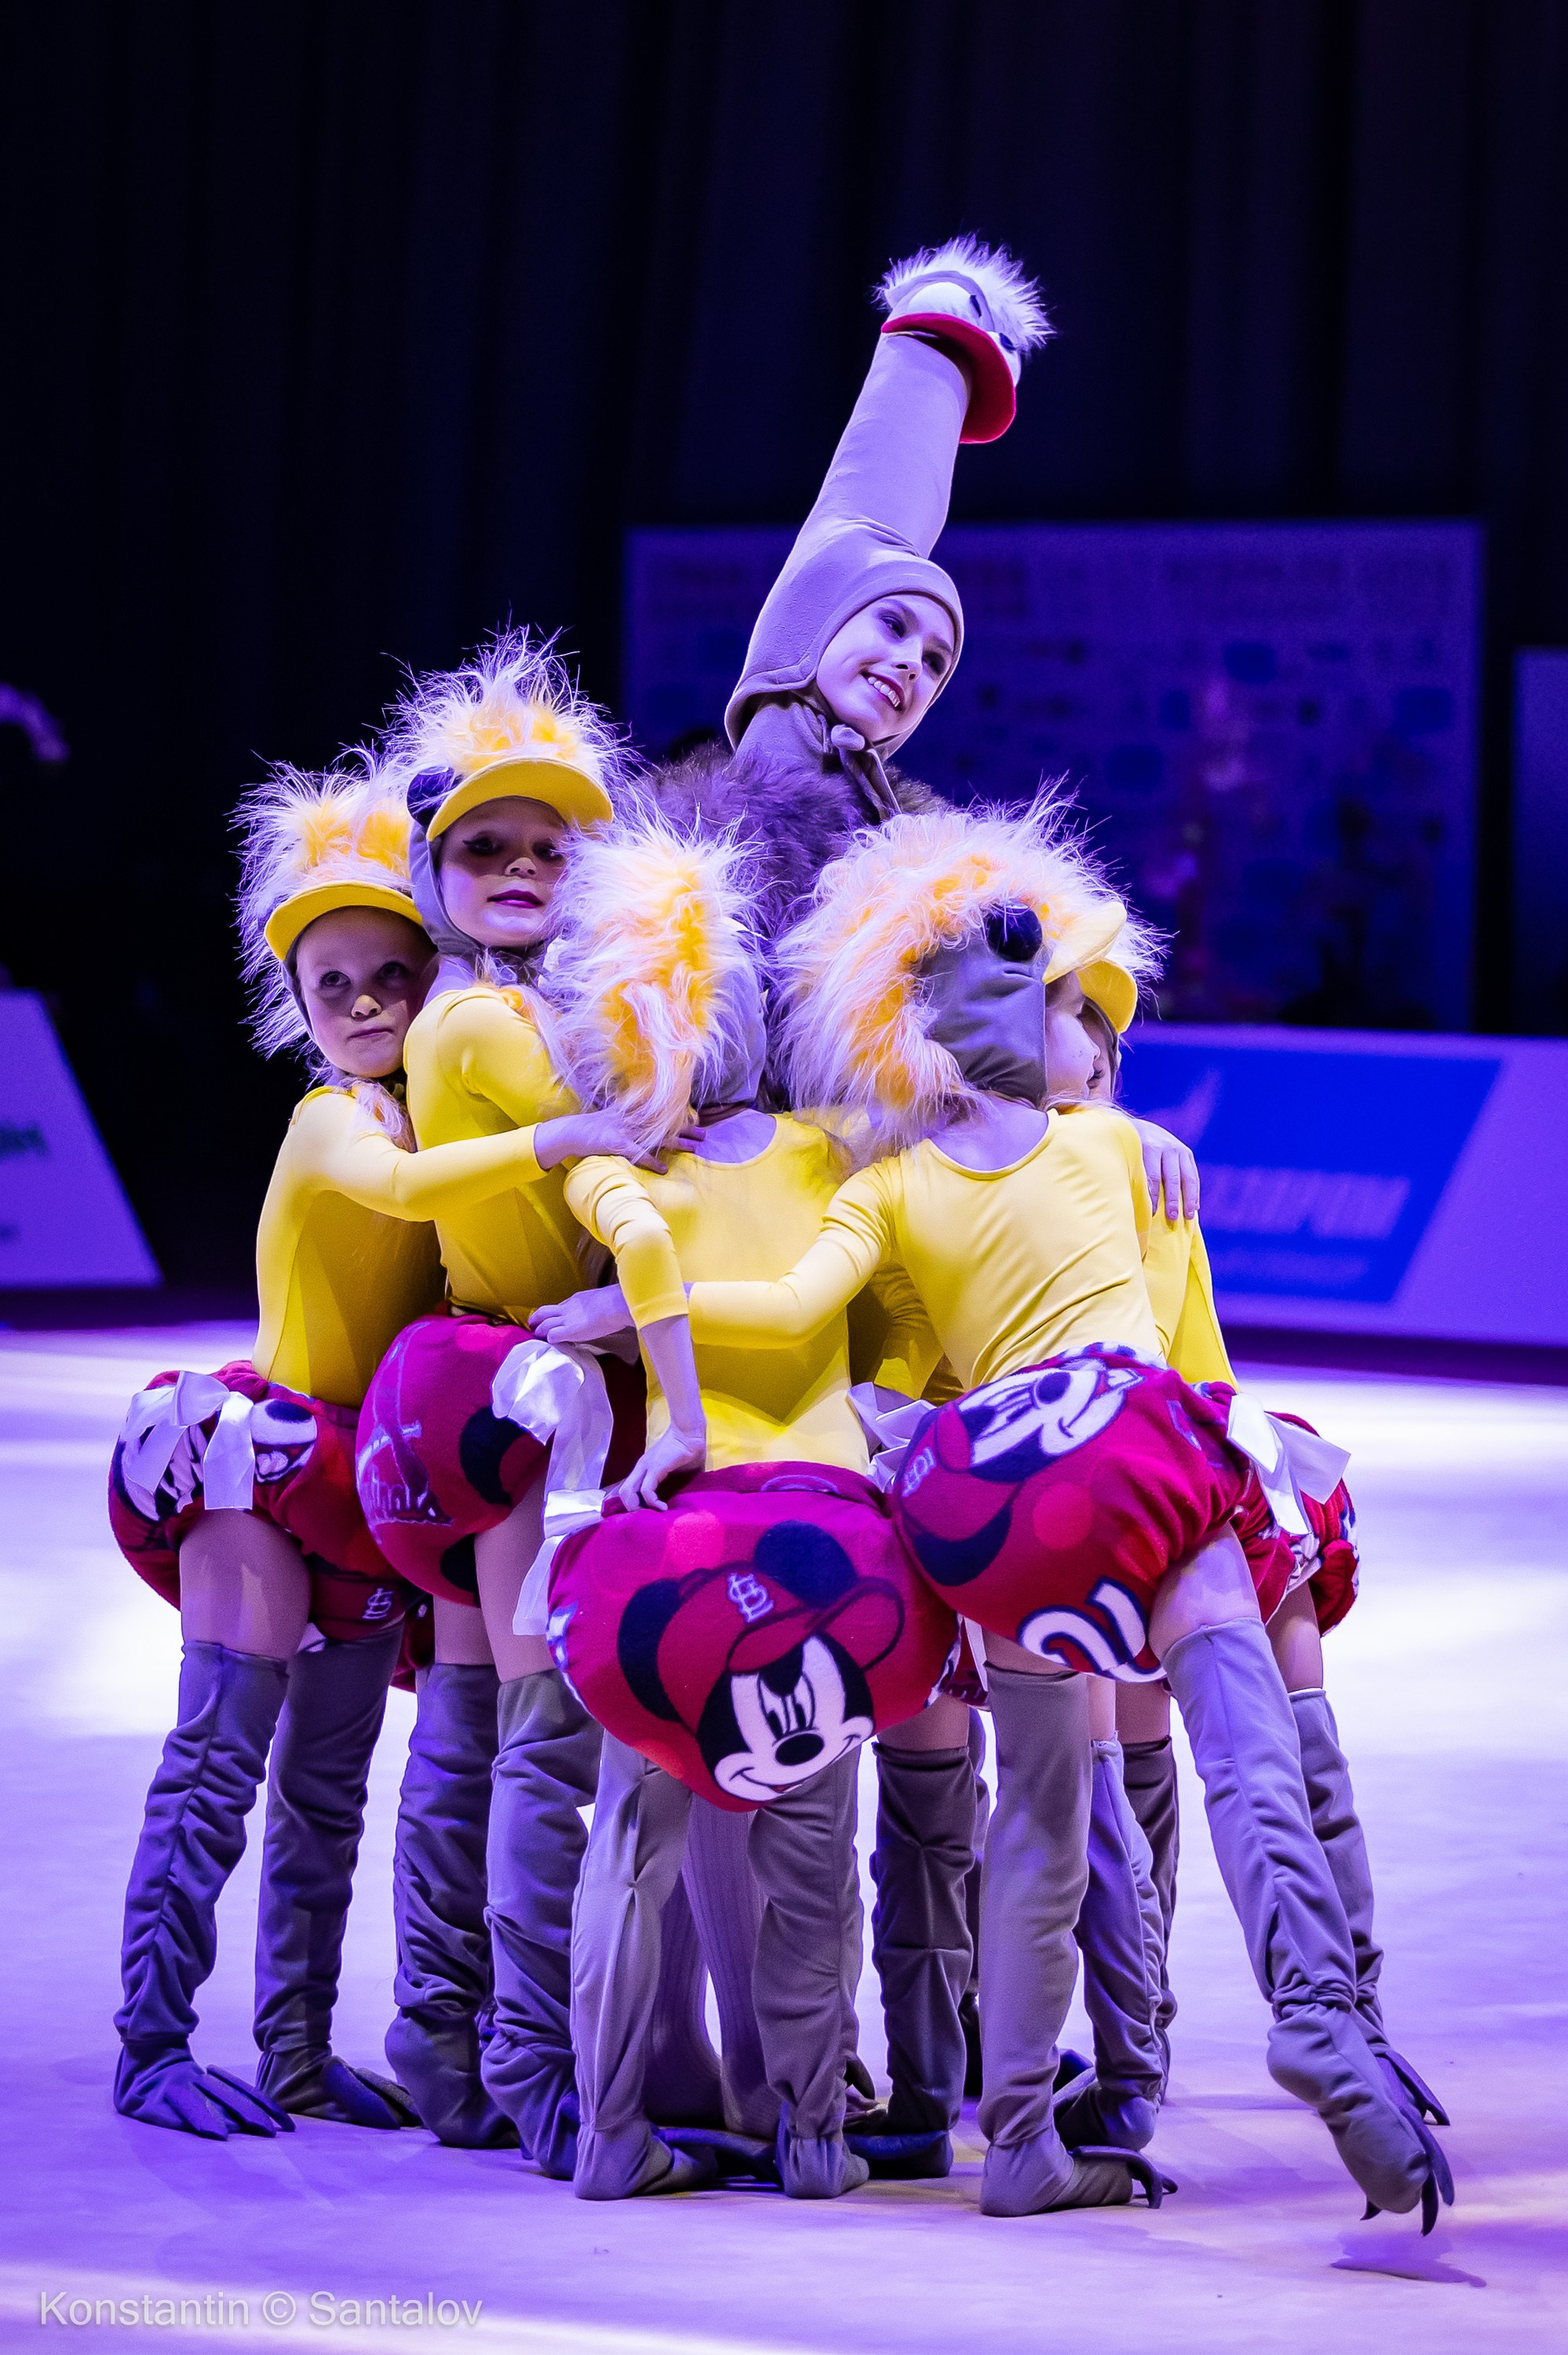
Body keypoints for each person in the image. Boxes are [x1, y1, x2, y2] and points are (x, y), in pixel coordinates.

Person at [608, 800, 1452, 2229]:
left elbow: (798, 1307)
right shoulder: (1115, 1148)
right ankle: (1317, 2016)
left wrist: (643, 1309)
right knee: (1241, 1752)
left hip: (991, 1492)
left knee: (1037, 1824)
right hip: (1130, 1443)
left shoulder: (886, 1184)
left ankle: (1016, 2140)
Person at [108, 758, 584, 2139]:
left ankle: (296, 2051)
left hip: (369, 1483)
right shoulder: (334, 1121)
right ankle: (151, 2047)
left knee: (327, 1792)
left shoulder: (443, 1108)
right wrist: (578, 1131)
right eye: (336, 987)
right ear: (301, 1006)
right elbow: (405, 1191)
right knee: (221, 1758)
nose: (369, 1004)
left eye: (394, 977)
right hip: (258, 1468)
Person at [531, 815, 958, 2200]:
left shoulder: (608, 1167)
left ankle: (608, 2133)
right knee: (812, 1851)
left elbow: (639, 1256)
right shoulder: (836, 1153)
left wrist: (628, 1327)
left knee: (628, 1844)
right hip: (831, 1537)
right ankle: (814, 2134)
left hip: (674, 1537)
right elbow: (911, 1296)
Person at [352, 635, 717, 2167]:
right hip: (531, 1387)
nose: (516, 868)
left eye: (547, 847)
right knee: (541, 1739)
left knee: (469, 1727)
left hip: (488, 1385)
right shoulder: (491, 1024)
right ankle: (529, 2062)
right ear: (434, 875)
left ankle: (443, 2039)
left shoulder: (493, 1008)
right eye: (482, 847)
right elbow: (642, 1145)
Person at [1062, 968, 1449, 2138]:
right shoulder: (957, 1172)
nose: (1083, 1076)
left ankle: (1354, 2020)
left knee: (1294, 1731)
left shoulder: (1151, 1176)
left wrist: (1249, 1482)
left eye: (1099, 1061)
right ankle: (1135, 2052)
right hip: (1062, 1500)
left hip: (1181, 1467)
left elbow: (1201, 1356)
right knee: (1114, 1772)